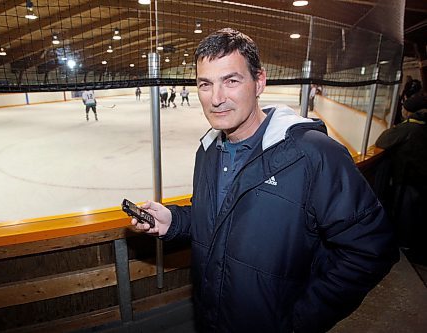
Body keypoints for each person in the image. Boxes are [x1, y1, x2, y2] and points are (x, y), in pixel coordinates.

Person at [131, 28, 398, 332]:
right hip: (213, 319)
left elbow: (371, 249)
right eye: (206, 84)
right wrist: (174, 221)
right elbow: (218, 220)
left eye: (231, 81)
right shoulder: (207, 151)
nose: (216, 98)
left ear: (259, 82)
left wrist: (300, 321)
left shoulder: (313, 154)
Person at [375, 93, 427, 256]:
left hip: (409, 180)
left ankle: (405, 245)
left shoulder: (409, 128)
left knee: (406, 213)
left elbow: (382, 141)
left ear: (408, 112)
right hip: (420, 179)